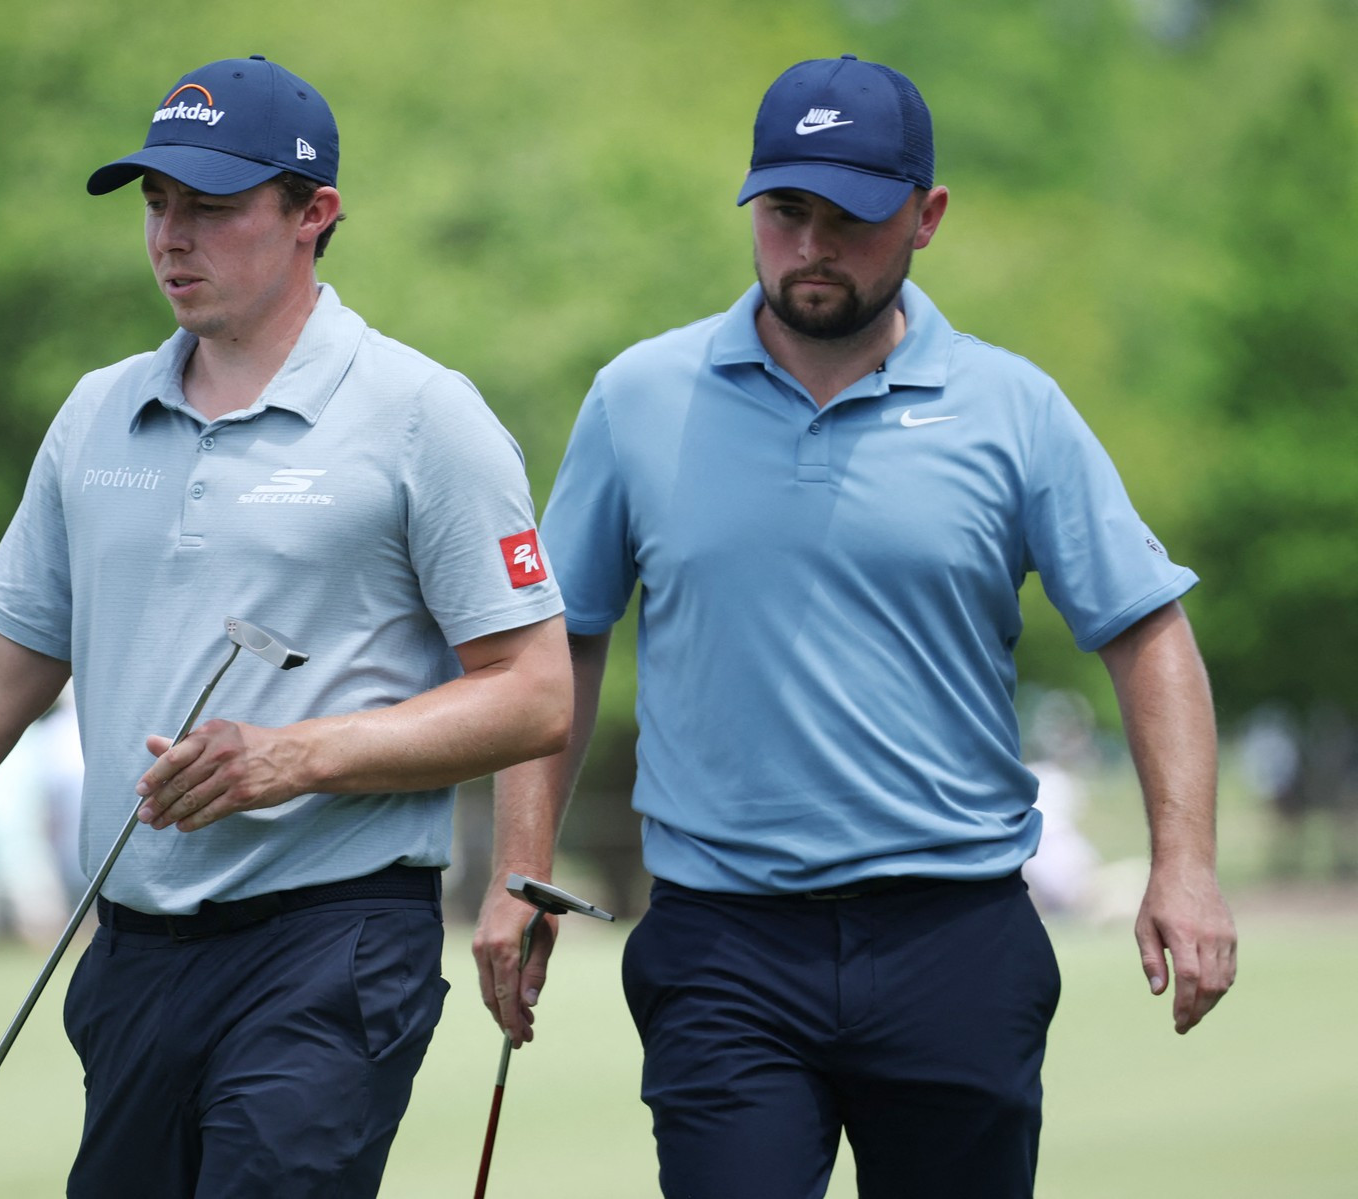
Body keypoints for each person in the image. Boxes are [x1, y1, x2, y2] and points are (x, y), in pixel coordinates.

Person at [0, 55, 570, 1199]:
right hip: (131, 955)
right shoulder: (97, 414)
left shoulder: (423, 414)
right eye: (156, 201)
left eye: (212, 205)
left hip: (331, 947)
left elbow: (534, 691)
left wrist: (295, 755)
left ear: (314, 213)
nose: (171, 237)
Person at [477, 54, 1236, 1199]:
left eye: (852, 217)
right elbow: (561, 644)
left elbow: (1148, 633)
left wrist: (1186, 863)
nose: (812, 244)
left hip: (954, 937)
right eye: (786, 210)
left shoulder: (1014, 407)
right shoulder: (637, 398)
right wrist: (521, 870)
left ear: (926, 217)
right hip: (721, 944)